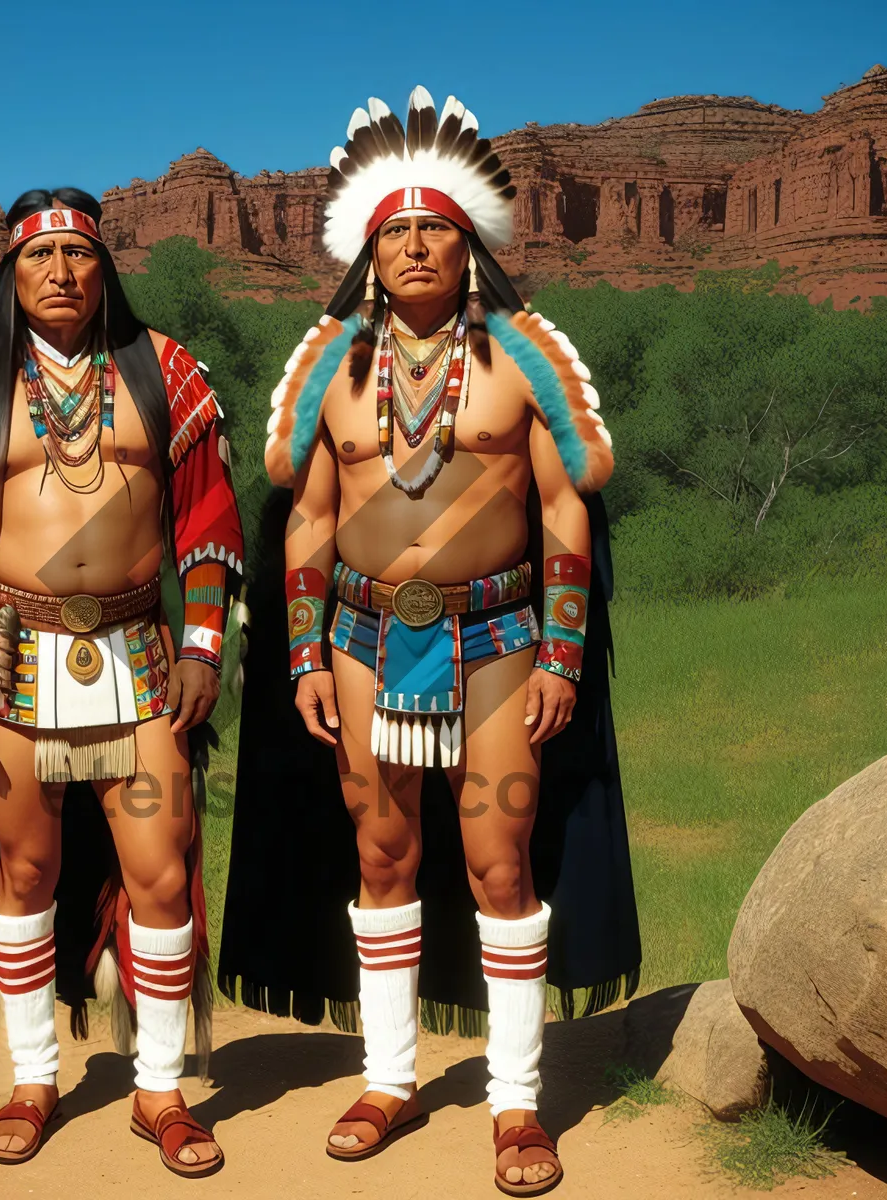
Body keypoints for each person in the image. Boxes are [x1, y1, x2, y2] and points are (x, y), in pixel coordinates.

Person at [219, 88, 640, 1195]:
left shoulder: (522, 359)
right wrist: (303, 655)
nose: (415, 247)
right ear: (368, 250)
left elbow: (561, 510)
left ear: (470, 246)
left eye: (436, 230)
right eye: (396, 231)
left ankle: (514, 1105)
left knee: (501, 858)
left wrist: (559, 655)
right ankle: (390, 1076)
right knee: (380, 853)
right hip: (361, 639)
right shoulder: (333, 372)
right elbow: (306, 520)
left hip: (499, 635)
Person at [0, 188, 242, 1175]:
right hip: (11, 654)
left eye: (81, 255)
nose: (63, 274)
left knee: (161, 869)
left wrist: (206, 644)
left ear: (104, 265)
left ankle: (160, 1088)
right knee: (26, 871)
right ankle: (35, 1077)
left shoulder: (166, 372)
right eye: (43, 258)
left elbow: (207, 520)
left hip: (138, 656)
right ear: (12, 268)